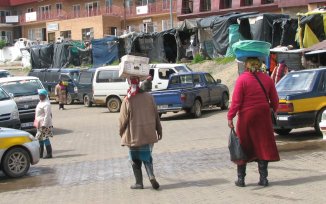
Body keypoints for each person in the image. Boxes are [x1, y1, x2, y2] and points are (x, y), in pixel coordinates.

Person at [227, 57, 280, 187]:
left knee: (243, 144)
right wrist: (274, 109)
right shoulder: (267, 79)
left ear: (246, 65)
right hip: (263, 116)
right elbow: (275, 100)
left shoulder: (242, 79)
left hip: (247, 116)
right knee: (263, 144)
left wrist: (230, 117)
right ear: (260, 65)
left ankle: (241, 179)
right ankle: (263, 179)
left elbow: (236, 102)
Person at [119, 76, 162, 190]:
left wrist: (121, 132)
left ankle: (139, 183)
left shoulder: (128, 99)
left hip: (134, 135)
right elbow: (156, 115)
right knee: (147, 157)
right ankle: (151, 176)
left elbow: (123, 120)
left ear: (129, 84)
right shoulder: (149, 97)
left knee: (135, 159)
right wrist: (159, 129)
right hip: (148, 134)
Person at [34, 89, 53, 159]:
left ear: (45, 96)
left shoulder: (46, 104)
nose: (40, 96)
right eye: (39, 95)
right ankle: (40, 153)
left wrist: (44, 125)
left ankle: (49, 153)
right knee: (40, 139)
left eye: (41, 95)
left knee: (45, 138)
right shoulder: (40, 102)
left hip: (45, 124)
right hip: (39, 124)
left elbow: (47, 115)